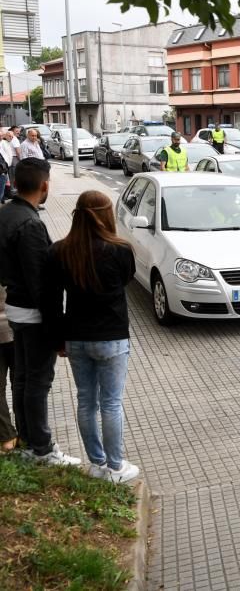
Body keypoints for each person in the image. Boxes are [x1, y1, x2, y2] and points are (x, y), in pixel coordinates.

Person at [42, 191, 139, 483]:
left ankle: (97, 465)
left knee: (86, 401)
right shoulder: (121, 249)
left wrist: (58, 339)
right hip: (111, 338)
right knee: (111, 403)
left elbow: (51, 299)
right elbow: (125, 281)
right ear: (106, 214)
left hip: (76, 338)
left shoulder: (60, 250)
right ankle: (116, 467)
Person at [0, 158, 80, 466]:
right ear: (44, 185)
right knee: (37, 381)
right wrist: (58, 333)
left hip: (15, 310)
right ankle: (42, 448)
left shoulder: (6, 214)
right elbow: (42, 287)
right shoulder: (30, 224)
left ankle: (27, 440)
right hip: (33, 316)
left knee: (22, 379)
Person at [0, 285, 17, 451]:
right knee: (22, 384)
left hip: (16, 326)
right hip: (18, 325)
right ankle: (28, 435)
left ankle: (7, 439)